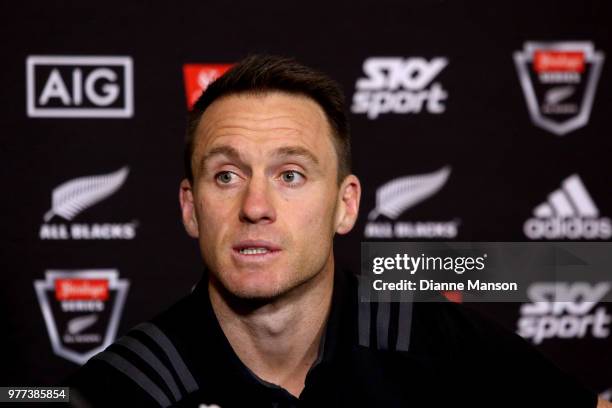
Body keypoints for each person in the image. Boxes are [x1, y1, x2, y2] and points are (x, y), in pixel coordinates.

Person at [68, 54, 610, 408]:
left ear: (345, 205)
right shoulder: (122, 389)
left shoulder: (433, 340)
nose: (256, 206)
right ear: (191, 208)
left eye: (291, 175)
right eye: (227, 175)